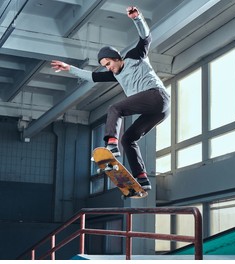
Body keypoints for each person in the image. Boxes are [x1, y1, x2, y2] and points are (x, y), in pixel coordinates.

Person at [51, 6, 170, 191]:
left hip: (157, 96)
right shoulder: (115, 74)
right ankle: (142, 179)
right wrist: (69, 68)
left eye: (108, 63)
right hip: (156, 111)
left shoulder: (134, 56)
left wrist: (137, 18)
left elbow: (146, 38)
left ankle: (111, 145)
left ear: (116, 58)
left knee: (115, 109)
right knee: (129, 139)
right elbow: (91, 76)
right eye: (105, 66)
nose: (108, 68)